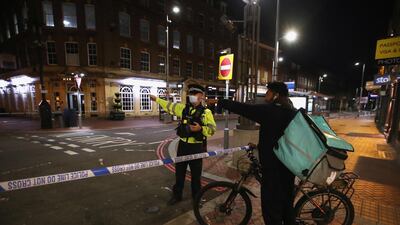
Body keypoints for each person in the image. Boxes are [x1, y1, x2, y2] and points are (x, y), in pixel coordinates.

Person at [217, 82, 296, 225]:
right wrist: (259, 146)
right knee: (287, 205)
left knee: (271, 208)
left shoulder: (271, 111)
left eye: (268, 92)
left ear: (276, 94)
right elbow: (277, 136)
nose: (266, 95)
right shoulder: (291, 111)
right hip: (289, 167)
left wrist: (222, 101)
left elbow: (244, 109)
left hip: (273, 169)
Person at [150, 84, 216, 205]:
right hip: (183, 146)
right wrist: (157, 99)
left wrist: (200, 129)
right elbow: (170, 106)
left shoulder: (206, 112)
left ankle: (197, 198)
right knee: (179, 173)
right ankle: (177, 195)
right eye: (190, 94)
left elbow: (212, 129)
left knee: (196, 177)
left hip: (196, 147)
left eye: (194, 94)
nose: (191, 96)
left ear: (201, 96)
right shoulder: (184, 109)